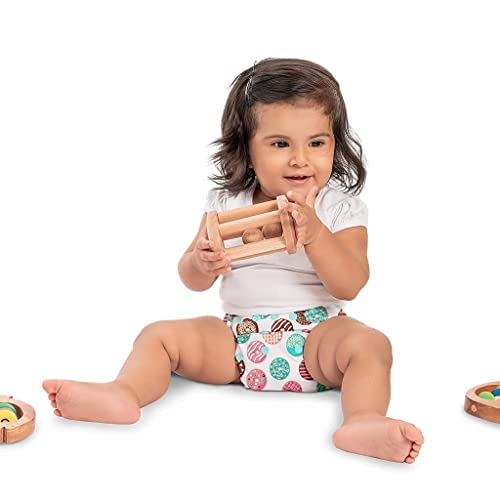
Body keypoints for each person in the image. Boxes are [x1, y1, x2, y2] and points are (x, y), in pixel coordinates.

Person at [42, 57, 424, 464]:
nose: (300, 159)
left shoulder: (340, 209)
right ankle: (124, 392)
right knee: (158, 335)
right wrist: (201, 262)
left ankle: (362, 420)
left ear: (335, 143)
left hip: (318, 339)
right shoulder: (227, 204)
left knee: (370, 345)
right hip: (237, 340)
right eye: (280, 144)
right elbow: (191, 277)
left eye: (316, 143)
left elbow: (350, 283)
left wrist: (316, 235)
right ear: (247, 149)